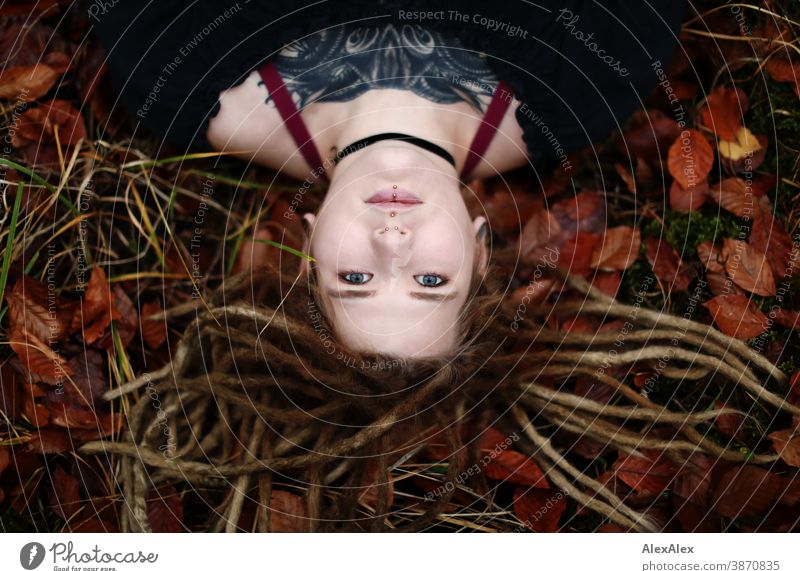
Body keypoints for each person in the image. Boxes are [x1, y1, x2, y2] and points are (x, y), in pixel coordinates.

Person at [93, 1, 685, 359]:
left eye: (355, 278)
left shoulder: (173, 72)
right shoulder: (590, 75)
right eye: (431, 279)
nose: (392, 242)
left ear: (307, 250)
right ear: (479, 253)